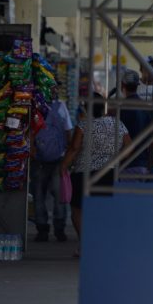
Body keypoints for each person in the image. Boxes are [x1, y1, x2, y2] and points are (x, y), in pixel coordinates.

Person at [58, 93, 131, 256]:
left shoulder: (83, 125)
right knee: (105, 210)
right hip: (109, 173)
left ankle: (85, 244)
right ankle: (103, 243)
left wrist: (63, 166)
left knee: (78, 210)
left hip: (83, 174)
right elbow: (129, 147)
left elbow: (75, 148)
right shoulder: (118, 124)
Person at [32, 84, 74, 242]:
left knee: (39, 196)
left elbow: (29, 131)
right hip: (59, 159)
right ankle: (59, 229)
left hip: (39, 159)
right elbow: (68, 130)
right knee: (60, 197)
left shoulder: (35, 107)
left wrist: (33, 150)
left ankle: (42, 229)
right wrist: (68, 154)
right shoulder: (61, 106)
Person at [118, 69, 150, 179]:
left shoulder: (122, 109)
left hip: (127, 164)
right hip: (143, 164)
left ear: (122, 85)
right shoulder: (147, 107)